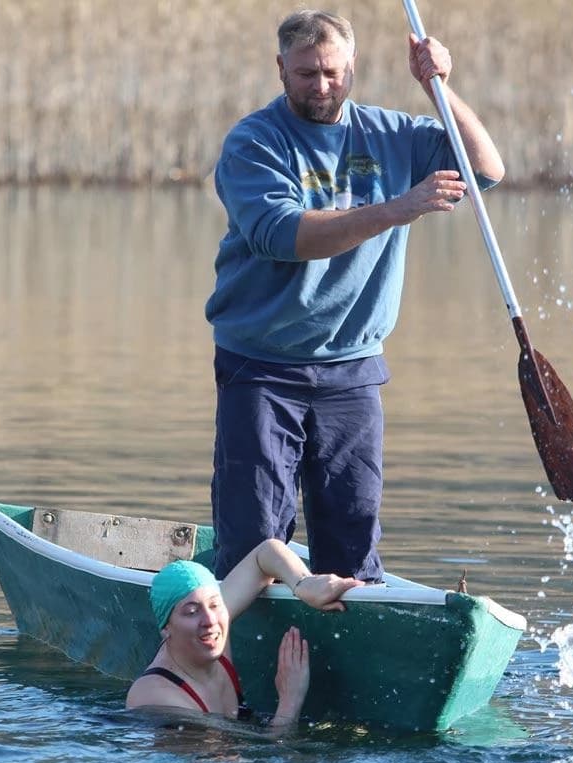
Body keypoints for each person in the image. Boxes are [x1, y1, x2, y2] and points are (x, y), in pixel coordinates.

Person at [206, 10, 505, 582]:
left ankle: (343, 637)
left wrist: (438, 87)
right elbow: (284, 237)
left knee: (352, 538)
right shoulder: (254, 143)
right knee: (254, 543)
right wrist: (398, 208)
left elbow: (486, 170)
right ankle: (243, 647)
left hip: (354, 370)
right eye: (305, 74)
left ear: (352, 67)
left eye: (332, 72)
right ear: (280, 70)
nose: (320, 86)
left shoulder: (391, 134)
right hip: (262, 367)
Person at [125, 539, 361, 728]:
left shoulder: (216, 626)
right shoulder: (156, 696)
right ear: (167, 627)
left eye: (215, 605)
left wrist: (303, 584)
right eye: (191, 612)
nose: (210, 621)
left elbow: (265, 553)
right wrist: (290, 702)